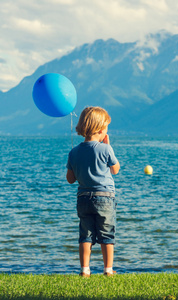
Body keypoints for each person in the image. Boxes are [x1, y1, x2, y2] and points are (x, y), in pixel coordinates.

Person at [66, 106, 120, 277]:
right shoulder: (105, 149)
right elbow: (115, 170)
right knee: (106, 234)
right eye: (106, 129)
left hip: (83, 199)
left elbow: (70, 179)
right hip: (104, 198)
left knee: (85, 234)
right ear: (100, 129)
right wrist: (108, 146)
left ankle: (84, 270)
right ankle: (108, 270)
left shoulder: (74, 151)